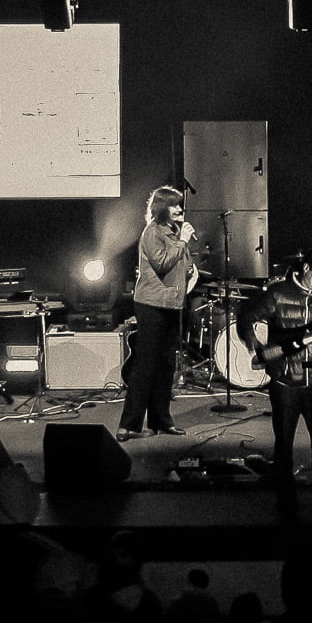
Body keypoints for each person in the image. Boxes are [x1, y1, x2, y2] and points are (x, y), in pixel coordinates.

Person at [250, 248, 312, 502]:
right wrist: (262, 351)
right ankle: (285, 503)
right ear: (306, 268)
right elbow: (254, 320)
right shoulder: (278, 293)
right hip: (285, 382)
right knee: (284, 444)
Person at [120, 185, 195, 439]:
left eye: (180, 204)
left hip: (172, 303)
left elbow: (181, 265)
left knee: (165, 366)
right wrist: (183, 241)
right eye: (174, 205)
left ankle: (161, 420)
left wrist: (189, 269)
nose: (179, 209)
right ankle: (128, 425)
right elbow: (162, 263)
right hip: (152, 303)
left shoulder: (174, 232)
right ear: (163, 207)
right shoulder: (152, 232)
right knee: (146, 365)